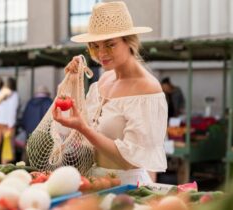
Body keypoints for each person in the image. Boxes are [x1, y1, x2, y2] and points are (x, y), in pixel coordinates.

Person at [52, 1, 168, 184]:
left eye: (110, 44)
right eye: (95, 46)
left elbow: (130, 161)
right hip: (93, 182)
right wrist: (72, 84)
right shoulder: (103, 81)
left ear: (129, 41)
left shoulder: (147, 89)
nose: (101, 53)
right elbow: (70, 130)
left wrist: (84, 129)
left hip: (127, 187)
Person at [0, 77, 19, 164]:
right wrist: (11, 125)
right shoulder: (14, 94)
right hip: (6, 122)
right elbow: (12, 110)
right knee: (7, 143)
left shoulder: (1, 93)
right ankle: (5, 165)